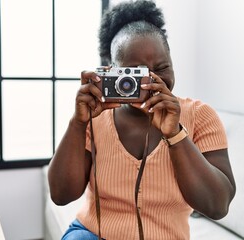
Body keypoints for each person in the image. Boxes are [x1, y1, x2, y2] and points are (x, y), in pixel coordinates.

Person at [48, 0, 236, 239]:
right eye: (135, 72)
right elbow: (61, 195)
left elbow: (217, 205)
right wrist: (78, 123)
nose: (151, 80)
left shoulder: (200, 116)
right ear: (111, 71)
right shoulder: (96, 117)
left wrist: (175, 133)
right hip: (92, 234)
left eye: (162, 67)